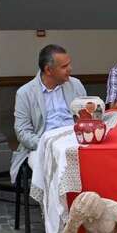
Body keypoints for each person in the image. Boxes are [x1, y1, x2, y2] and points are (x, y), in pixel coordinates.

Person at [11, 44, 86, 183]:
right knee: (48, 167)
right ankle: (53, 198)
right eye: (64, 66)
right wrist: (46, 143)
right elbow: (22, 132)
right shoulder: (25, 93)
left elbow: (85, 118)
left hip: (74, 141)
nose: (70, 69)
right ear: (48, 70)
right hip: (42, 145)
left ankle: (88, 196)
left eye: (69, 64)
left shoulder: (76, 85)